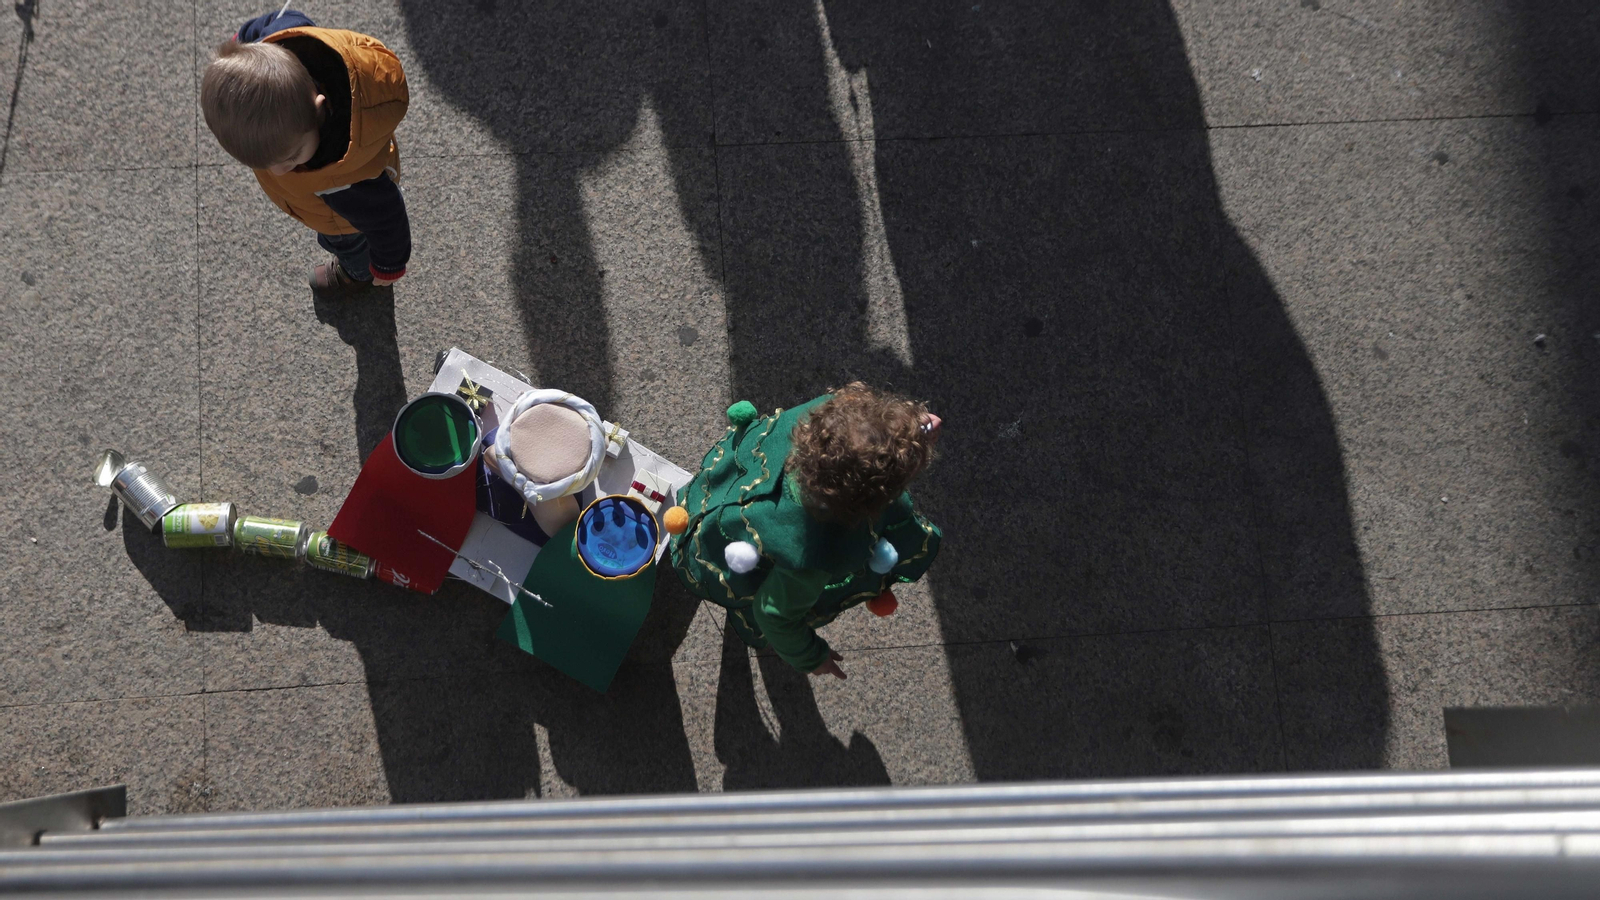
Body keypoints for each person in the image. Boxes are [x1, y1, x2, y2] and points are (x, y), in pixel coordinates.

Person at [670, 383, 943, 679]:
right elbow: (774, 615)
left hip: (740, 503)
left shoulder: (826, 420)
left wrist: (910, 430)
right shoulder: (814, 553)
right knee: (753, 587)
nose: (934, 421)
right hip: (752, 556)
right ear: (873, 499)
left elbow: (864, 438)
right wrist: (812, 657)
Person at [201, 9, 410, 294]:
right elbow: (275, 20)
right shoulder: (284, 40)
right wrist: (242, 45)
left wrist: (389, 263)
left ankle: (356, 274)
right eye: (265, 164)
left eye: (291, 157)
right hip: (321, 199)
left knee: (349, 245)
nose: (280, 171)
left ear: (318, 107)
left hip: (344, 224)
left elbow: (387, 217)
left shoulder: (345, 181)